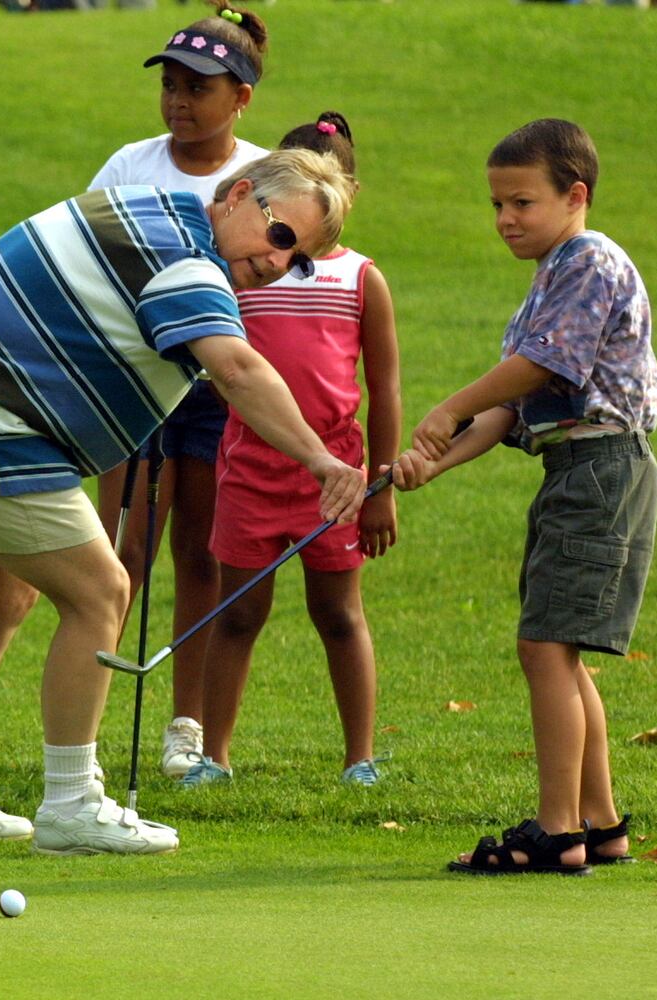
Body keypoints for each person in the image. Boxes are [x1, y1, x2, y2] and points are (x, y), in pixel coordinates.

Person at [0, 148, 366, 855]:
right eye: (278, 235)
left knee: (0, 602)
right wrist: (320, 459)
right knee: (100, 592)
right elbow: (238, 369)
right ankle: (70, 804)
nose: (277, 264)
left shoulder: (147, 208)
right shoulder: (192, 263)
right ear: (240, 195)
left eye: (297, 258)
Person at [390, 118, 657, 874]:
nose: (506, 219)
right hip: (575, 468)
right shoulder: (553, 272)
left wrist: (446, 407)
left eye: (521, 202)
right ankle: (599, 825)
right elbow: (510, 410)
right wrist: (431, 461)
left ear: (575, 196)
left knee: (544, 647)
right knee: (560, 652)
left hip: (601, 469)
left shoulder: (589, 262)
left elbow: (540, 366)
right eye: (496, 205)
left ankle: (555, 831)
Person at [182, 112, 401, 788]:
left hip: (335, 481)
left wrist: (379, 487)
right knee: (239, 611)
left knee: (338, 614)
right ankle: (213, 757)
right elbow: (231, 371)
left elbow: (384, 387)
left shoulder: (362, 278)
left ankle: (359, 757)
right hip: (248, 471)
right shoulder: (243, 269)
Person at [88, 1, 271, 781]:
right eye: (170, 84)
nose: (179, 102)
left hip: (216, 387)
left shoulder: (264, 177)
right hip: (133, 379)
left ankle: (185, 724)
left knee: (199, 553)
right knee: (118, 551)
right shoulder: (130, 165)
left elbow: (280, 279)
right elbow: (90, 255)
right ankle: (87, 720)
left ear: (241, 98)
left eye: (199, 87)